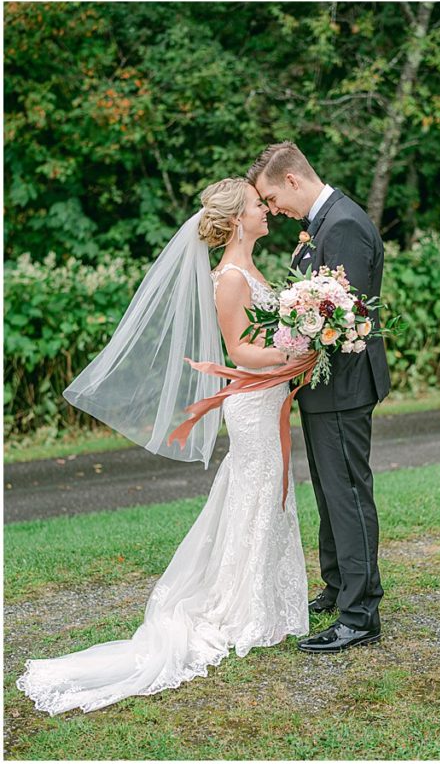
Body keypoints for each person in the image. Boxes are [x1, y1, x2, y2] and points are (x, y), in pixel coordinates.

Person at [17, 178, 308, 715]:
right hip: (251, 401)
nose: (267, 211)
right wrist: (297, 354)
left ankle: (264, 599)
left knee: (267, 492)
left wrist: (296, 338)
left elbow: (263, 335)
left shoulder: (252, 269)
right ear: (237, 219)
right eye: (257, 206)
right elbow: (241, 349)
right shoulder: (229, 279)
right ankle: (238, 607)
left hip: (267, 399)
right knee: (257, 489)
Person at [248, 142, 390, 653]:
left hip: (344, 384)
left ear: (290, 180)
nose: (271, 210)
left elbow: (344, 313)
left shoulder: (343, 224)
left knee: (348, 492)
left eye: (269, 198)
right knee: (331, 492)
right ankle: (338, 585)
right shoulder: (323, 222)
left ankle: (360, 613)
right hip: (322, 384)